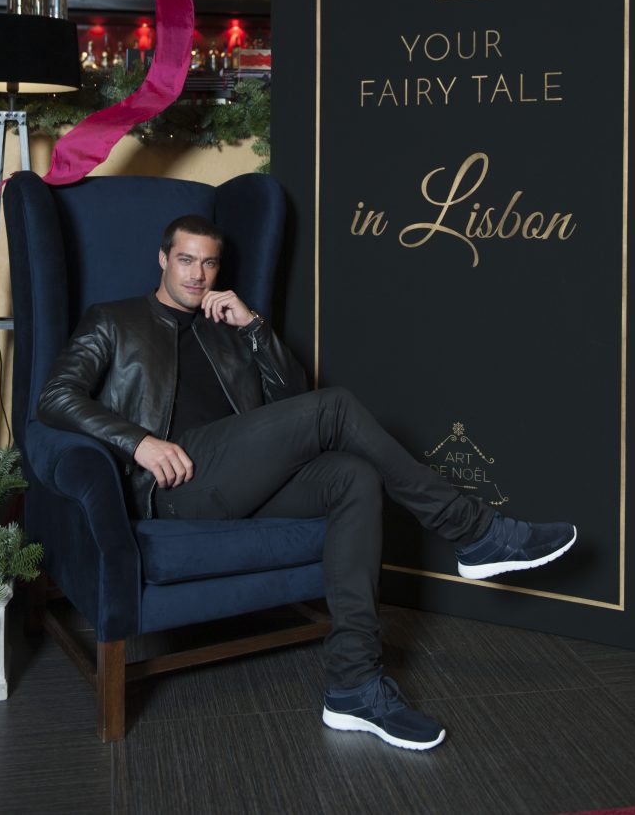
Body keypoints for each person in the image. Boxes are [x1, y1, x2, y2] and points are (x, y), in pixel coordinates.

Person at [38, 214, 577, 752]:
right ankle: (472, 530)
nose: (197, 274)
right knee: (336, 406)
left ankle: (354, 685)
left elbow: (294, 404)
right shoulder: (113, 320)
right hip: (179, 486)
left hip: (242, 480)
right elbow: (55, 397)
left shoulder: (228, 329)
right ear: (162, 259)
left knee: (354, 477)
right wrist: (139, 442)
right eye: (185, 260)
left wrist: (254, 328)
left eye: (209, 262)